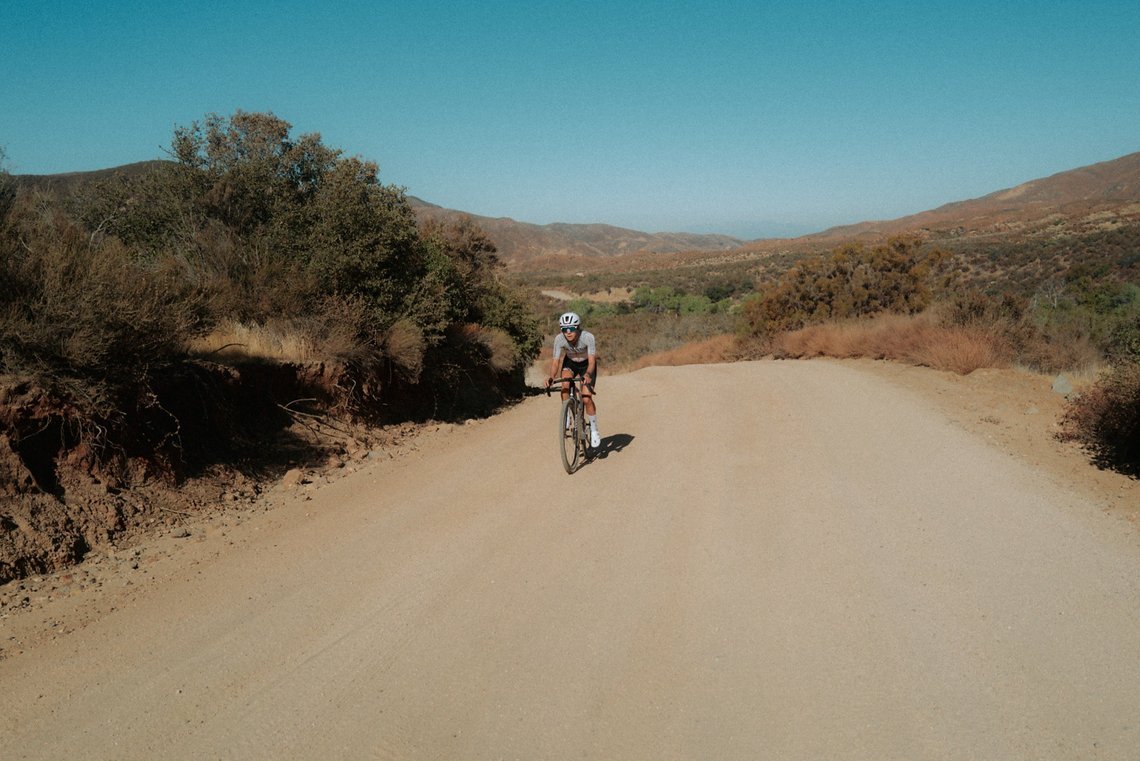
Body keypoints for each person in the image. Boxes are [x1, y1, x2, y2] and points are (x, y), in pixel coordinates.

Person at [545, 311, 601, 448]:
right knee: (565, 385)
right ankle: (569, 414)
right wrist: (551, 377)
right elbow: (555, 362)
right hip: (570, 363)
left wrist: (587, 374)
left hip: (586, 365)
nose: (568, 332)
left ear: (578, 328)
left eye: (571, 329)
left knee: (586, 398)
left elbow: (593, 362)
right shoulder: (559, 339)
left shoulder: (588, 337)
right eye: (564, 329)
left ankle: (594, 429)